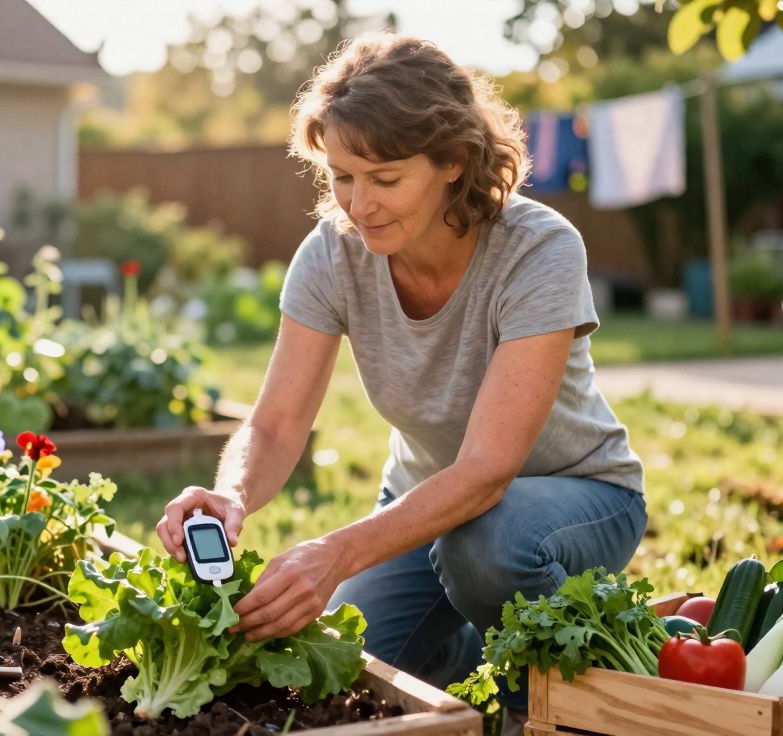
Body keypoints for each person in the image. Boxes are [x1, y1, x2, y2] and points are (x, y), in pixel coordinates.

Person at [155, 31, 647, 728]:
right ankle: (474, 654)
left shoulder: (539, 250)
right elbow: (275, 424)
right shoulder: (333, 254)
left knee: (487, 548)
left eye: (384, 179)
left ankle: (544, 708)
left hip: (573, 498)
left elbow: (485, 473)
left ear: (455, 160)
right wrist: (230, 494)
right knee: (344, 676)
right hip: (421, 506)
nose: (358, 205)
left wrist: (335, 552)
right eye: (341, 177)